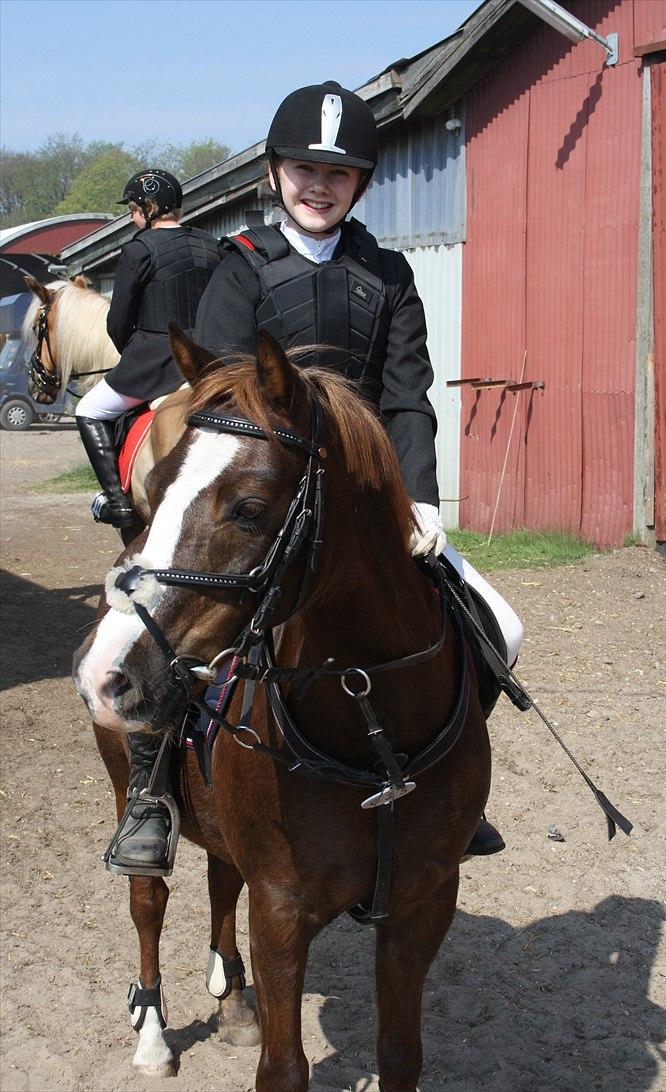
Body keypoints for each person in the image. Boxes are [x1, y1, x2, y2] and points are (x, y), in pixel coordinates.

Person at [107, 85, 522, 876]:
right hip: (262, 500)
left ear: (361, 182)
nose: (319, 185)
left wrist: (421, 500)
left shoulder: (389, 274)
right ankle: (150, 795)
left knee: (499, 626)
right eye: (304, 168)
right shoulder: (242, 268)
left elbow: (406, 394)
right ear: (274, 173)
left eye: (339, 172)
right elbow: (220, 395)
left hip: (362, 508)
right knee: (169, 630)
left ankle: (447, 788)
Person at [75, 169, 222, 530]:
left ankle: (116, 501)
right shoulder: (211, 245)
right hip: (207, 361)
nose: (131, 216)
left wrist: (129, 353)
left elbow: (118, 321)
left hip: (153, 362)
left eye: (134, 209)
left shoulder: (139, 249)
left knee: (88, 409)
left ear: (152, 207)